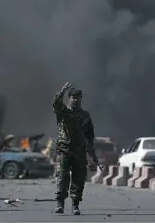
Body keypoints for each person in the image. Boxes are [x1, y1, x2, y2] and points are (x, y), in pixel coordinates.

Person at [52, 82, 97, 215]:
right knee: (62, 178)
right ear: (69, 98)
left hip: (79, 151)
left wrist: (92, 151)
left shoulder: (85, 115)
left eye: (78, 97)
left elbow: (90, 135)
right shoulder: (63, 112)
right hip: (64, 150)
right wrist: (62, 91)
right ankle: (60, 204)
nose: (75, 100)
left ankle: (75, 205)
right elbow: (55, 104)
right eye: (73, 97)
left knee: (79, 179)